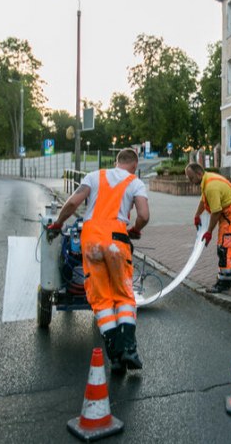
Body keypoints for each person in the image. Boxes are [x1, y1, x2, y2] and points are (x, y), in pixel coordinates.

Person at [47, 148, 149, 373]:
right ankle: (129, 349)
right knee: (123, 295)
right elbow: (144, 215)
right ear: (134, 165)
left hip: (91, 240)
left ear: (116, 162)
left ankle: (115, 357)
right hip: (117, 240)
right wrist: (135, 229)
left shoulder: (94, 176)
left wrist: (57, 223)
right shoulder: (135, 182)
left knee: (101, 299)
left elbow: (73, 203)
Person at [185, 162, 231, 293]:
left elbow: (216, 211)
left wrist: (209, 232)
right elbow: (204, 200)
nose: (190, 181)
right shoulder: (207, 180)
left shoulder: (210, 186)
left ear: (199, 174)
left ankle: (224, 283)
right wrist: (197, 214)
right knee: (230, 246)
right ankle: (230, 276)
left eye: (191, 178)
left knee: (225, 248)